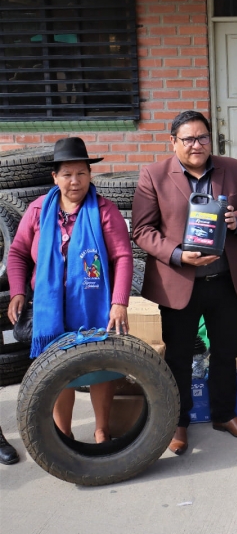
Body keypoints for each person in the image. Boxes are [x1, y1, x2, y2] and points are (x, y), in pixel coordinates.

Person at [132, 110, 237, 455]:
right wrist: (177, 254)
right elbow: (142, 230)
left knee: (226, 352)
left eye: (202, 137)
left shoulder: (232, 168)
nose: (196, 145)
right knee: (178, 356)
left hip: (226, 281)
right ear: (173, 142)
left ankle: (224, 415)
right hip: (179, 283)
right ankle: (178, 422)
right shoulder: (154, 175)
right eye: (188, 139)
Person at [6, 138, 132, 443]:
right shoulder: (38, 210)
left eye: (81, 173)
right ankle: (63, 433)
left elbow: (123, 257)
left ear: (90, 175)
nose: (75, 181)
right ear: (55, 177)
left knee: (100, 365)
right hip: (50, 308)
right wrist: (17, 291)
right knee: (57, 369)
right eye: (67, 174)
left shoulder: (104, 211)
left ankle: (102, 430)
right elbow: (18, 253)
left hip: (93, 305)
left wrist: (119, 303)